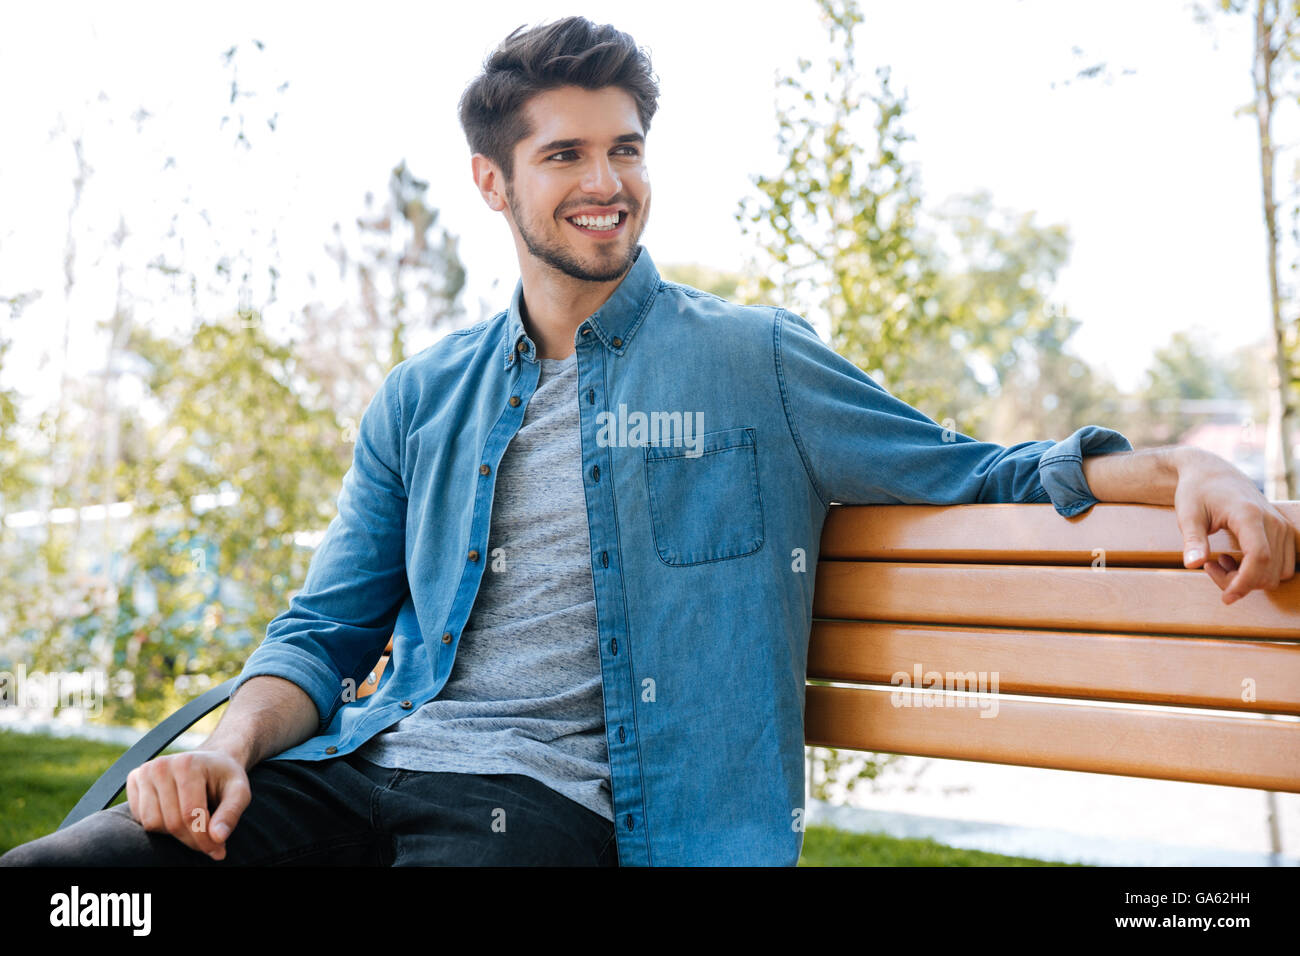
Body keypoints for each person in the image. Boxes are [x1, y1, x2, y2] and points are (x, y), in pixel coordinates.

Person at [4, 15, 1294, 869]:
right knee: (80, 889)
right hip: (354, 779)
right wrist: (223, 743)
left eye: (625, 147)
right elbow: (324, 635)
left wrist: (1202, 468)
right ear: (494, 185)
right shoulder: (423, 397)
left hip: (542, 819)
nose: (605, 180)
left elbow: (989, 472)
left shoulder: (755, 364)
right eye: (565, 153)